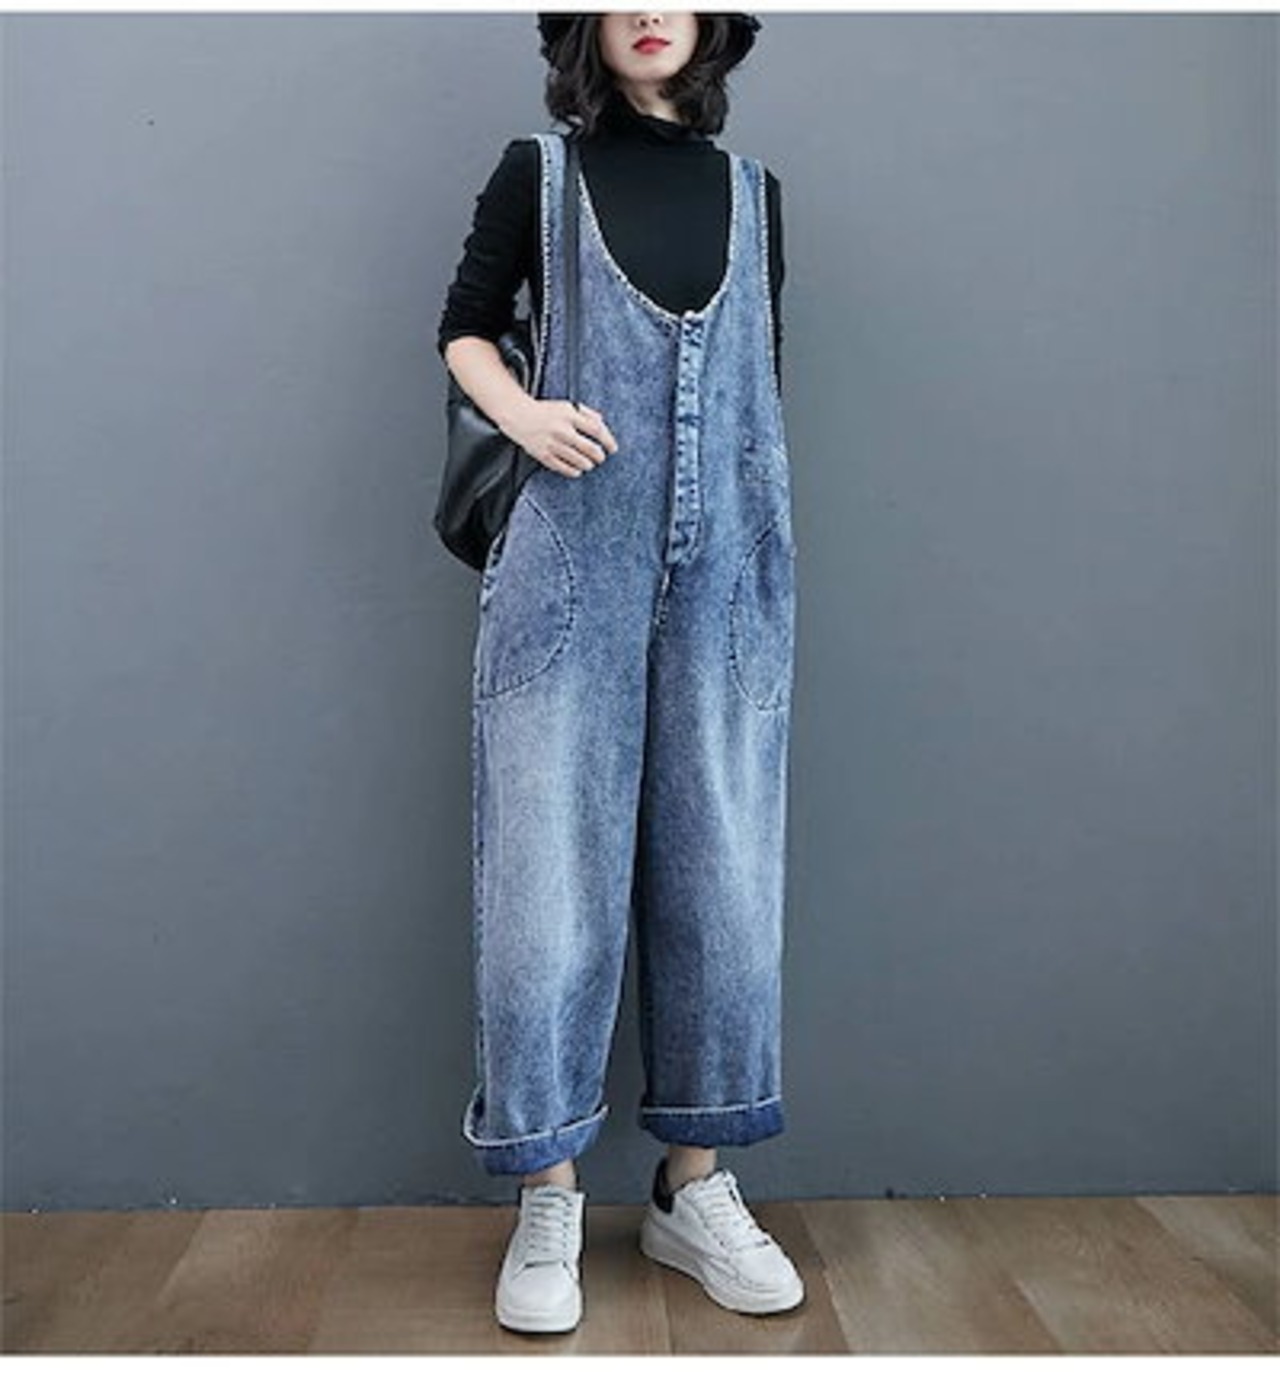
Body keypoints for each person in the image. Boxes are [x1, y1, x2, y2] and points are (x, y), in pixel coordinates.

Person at [437, 11, 802, 1334]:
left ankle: (693, 1187)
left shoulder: (755, 196)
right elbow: (464, 329)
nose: (651, 8)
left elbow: (758, 381)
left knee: (725, 871)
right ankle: (547, 1193)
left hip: (731, 569)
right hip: (568, 559)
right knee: (546, 877)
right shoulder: (534, 175)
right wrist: (525, 415)